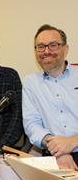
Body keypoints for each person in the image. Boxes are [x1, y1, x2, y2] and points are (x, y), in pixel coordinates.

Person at [23, 24, 78, 170]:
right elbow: (31, 125)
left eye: (53, 45)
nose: (46, 51)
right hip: (53, 156)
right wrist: (58, 150)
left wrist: (73, 142)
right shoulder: (30, 82)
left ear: (65, 49)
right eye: (41, 46)